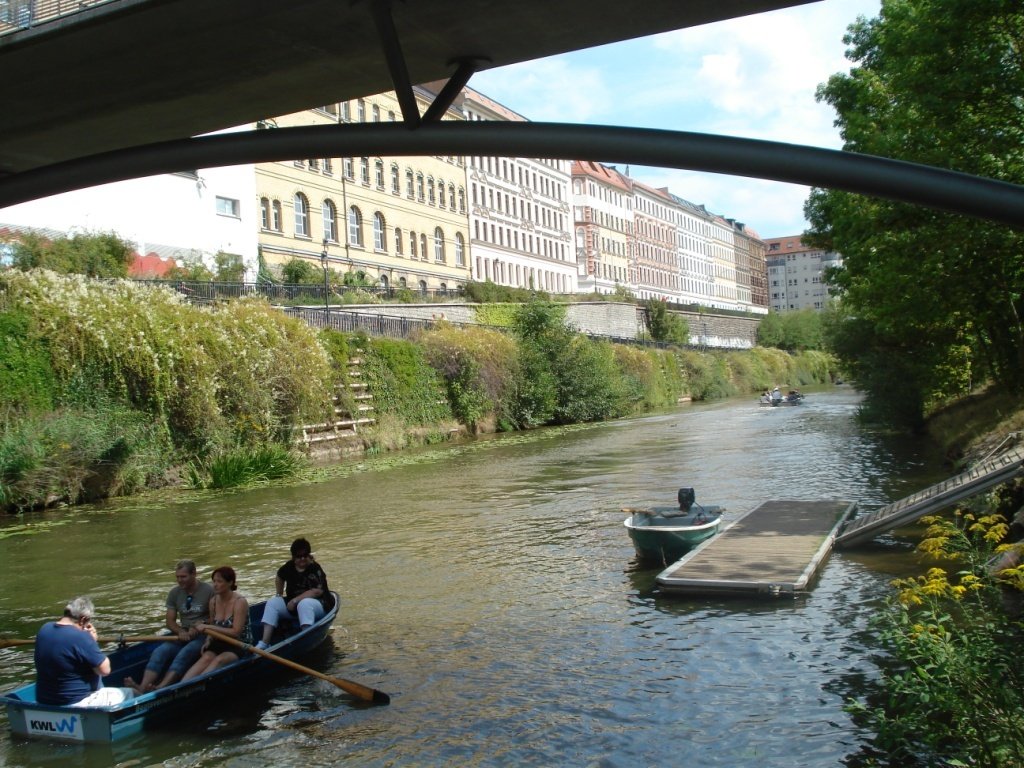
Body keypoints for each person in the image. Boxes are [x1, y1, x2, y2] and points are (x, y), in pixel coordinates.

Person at [124, 559, 213, 693]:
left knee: (185, 653)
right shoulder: (174, 593)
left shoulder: (209, 591)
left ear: (194, 573)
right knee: (160, 651)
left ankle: (161, 688)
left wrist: (202, 625)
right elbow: (170, 622)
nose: (180, 580)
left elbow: (217, 617)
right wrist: (180, 632)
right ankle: (143, 688)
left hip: (204, 636)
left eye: (183, 577)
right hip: (183, 635)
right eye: (177, 577)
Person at [34, 596, 136, 707]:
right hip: (75, 702)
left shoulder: (44, 629)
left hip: (44, 700)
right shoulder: (81, 637)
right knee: (130, 693)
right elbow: (105, 670)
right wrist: (92, 641)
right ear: (82, 620)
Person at [256, 537, 333, 650]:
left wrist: (295, 600)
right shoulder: (289, 567)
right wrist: (279, 594)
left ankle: (306, 638)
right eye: (299, 556)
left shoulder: (314, 568)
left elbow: (317, 591)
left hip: (318, 605)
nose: (302, 559)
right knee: (273, 603)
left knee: (305, 603)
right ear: (293, 557)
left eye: (305, 555)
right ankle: (264, 642)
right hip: (294, 607)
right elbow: (279, 577)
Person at [181, 566, 249, 681]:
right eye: (214, 581)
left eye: (219, 581)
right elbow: (213, 625)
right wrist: (208, 639)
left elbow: (236, 632)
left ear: (230, 583)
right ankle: (182, 685)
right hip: (220, 641)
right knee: (206, 658)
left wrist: (207, 626)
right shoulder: (213, 601)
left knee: (219, 660)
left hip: (239, 644)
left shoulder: (240, 602)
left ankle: (196, 686)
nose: (215, 585)